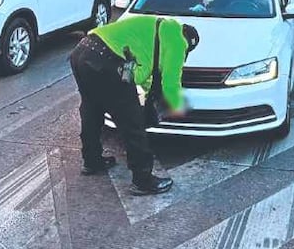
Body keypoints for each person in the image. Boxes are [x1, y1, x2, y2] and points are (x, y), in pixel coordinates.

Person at [69, 15, 200, 196]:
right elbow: (170, 83)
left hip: (82, 51)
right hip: (107, 59)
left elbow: (137, 75)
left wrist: (147, 95)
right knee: (132, 121)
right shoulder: (179, 41)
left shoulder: (156, 29)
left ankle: (91, 161)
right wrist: (177, 106)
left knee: (92, 108)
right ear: (188, 43)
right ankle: (143, 180)